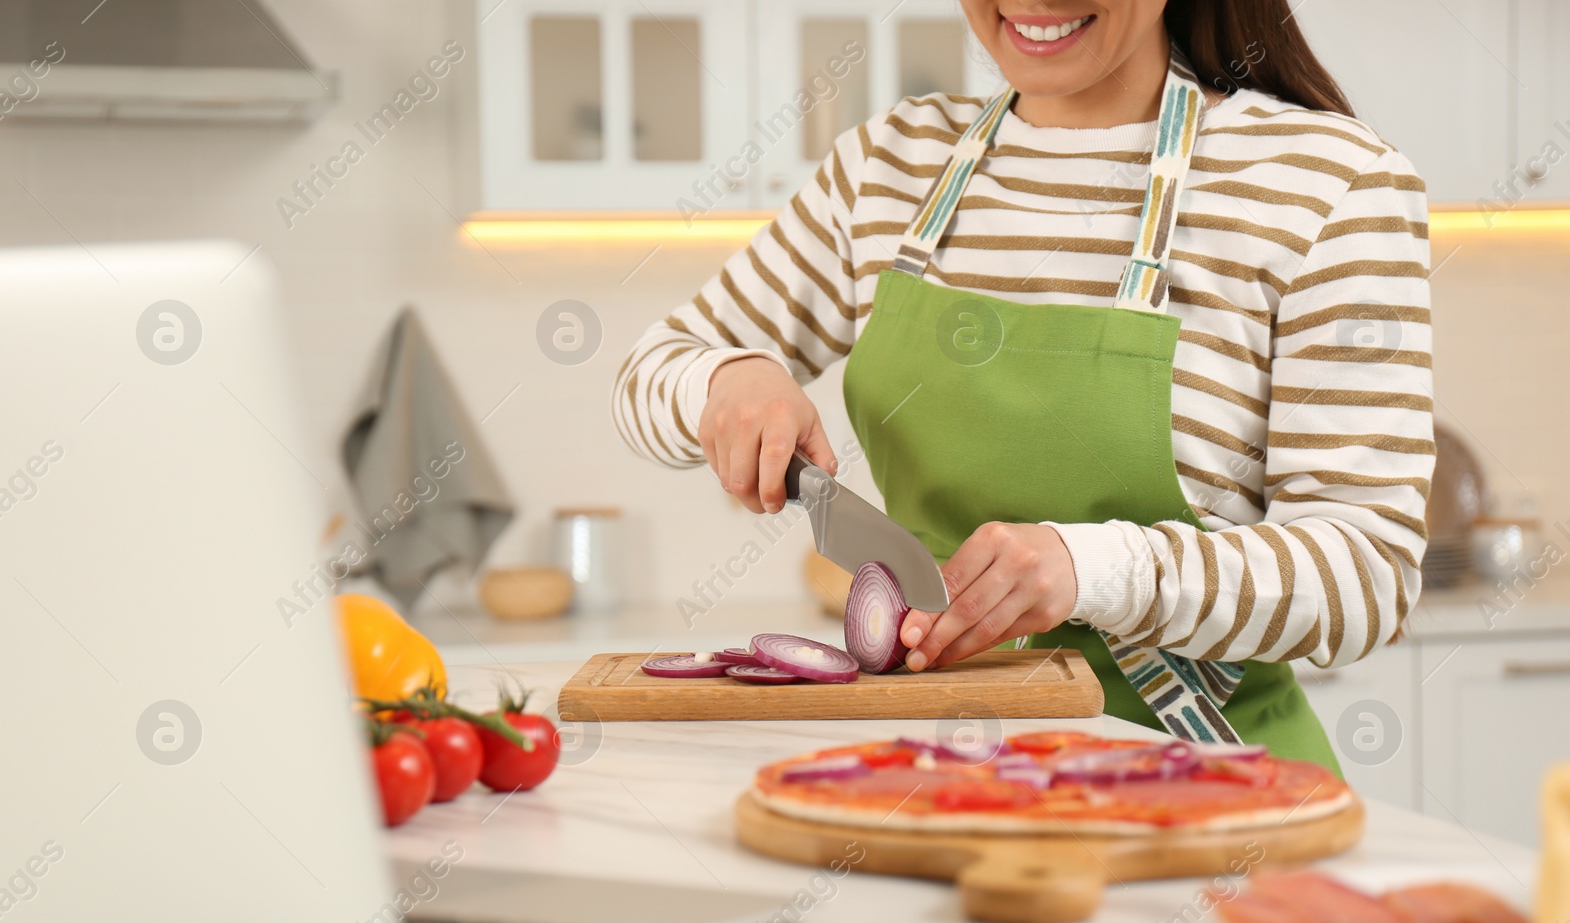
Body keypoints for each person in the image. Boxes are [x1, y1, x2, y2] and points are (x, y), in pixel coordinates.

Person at [612, 0, 1434, 771]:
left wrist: (1093, 568)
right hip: (942, 779)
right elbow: (651, 371)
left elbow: (1369, 573)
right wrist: (728, 377)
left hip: (1209, 797)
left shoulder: (1328, 183)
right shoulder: (888, 168)